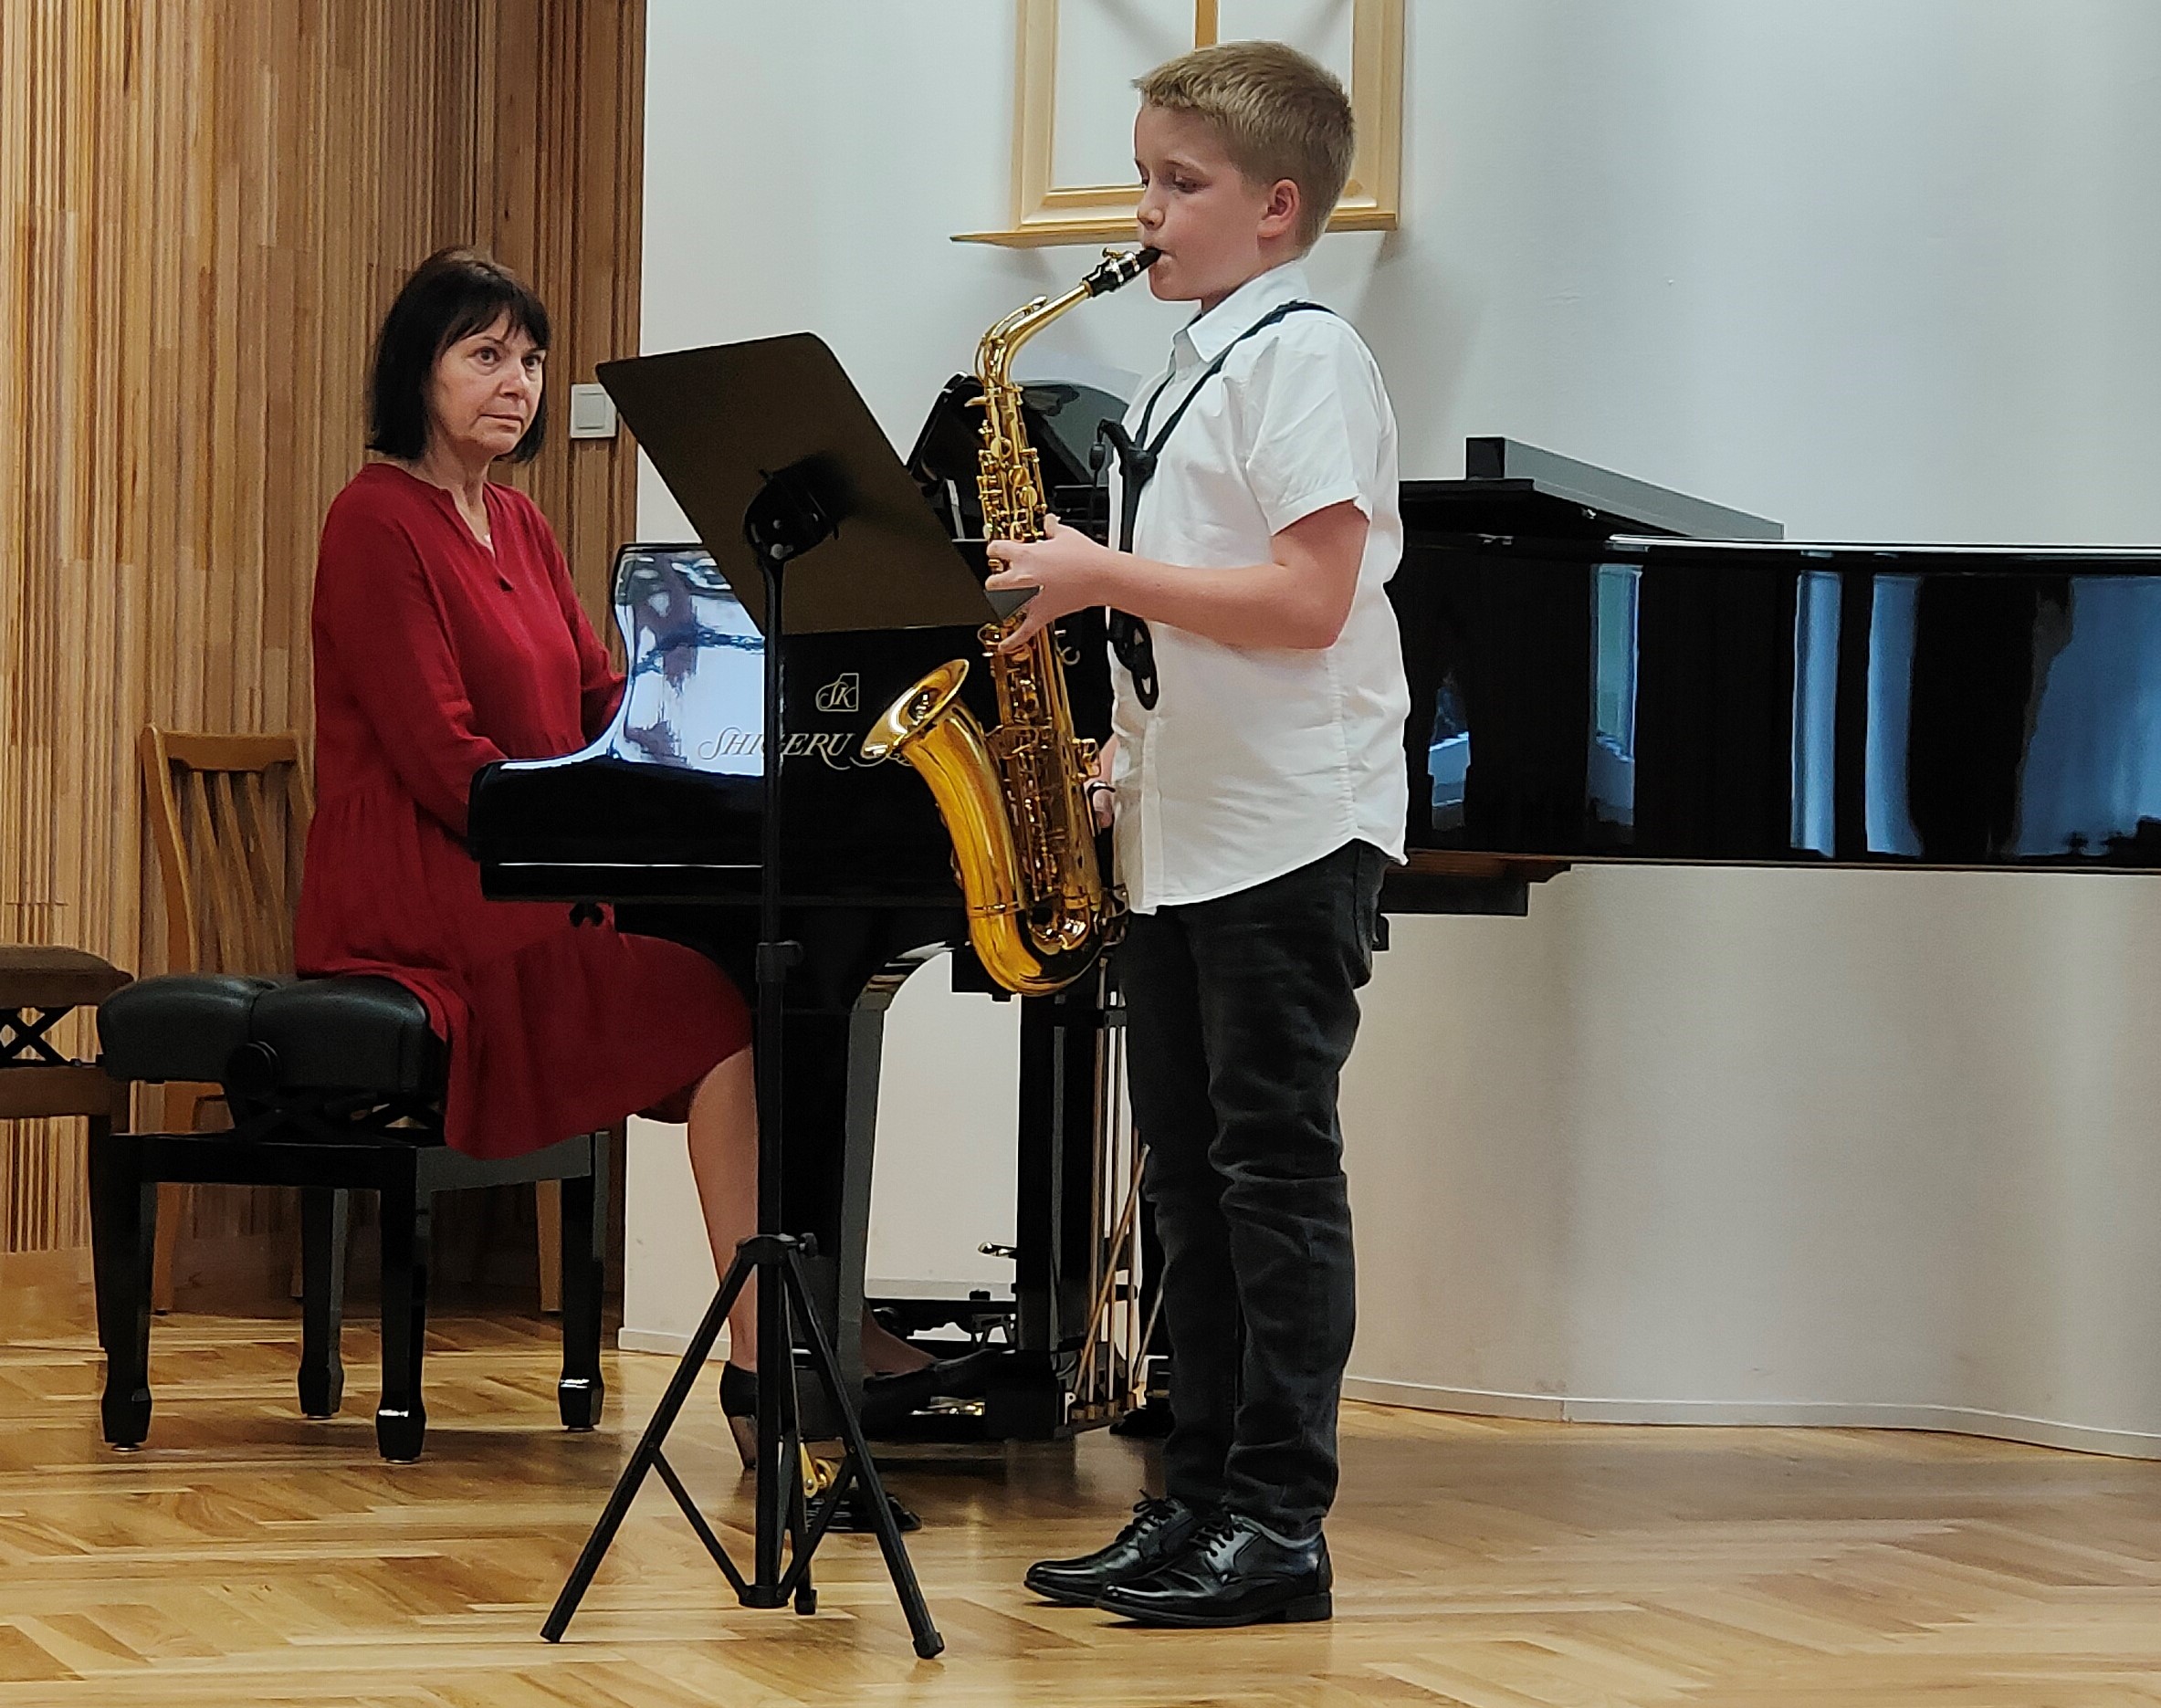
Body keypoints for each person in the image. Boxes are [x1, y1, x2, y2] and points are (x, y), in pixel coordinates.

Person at [296, 248, 947, 1468]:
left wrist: (727, 754)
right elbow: (443, 759)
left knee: (769, 981)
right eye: (485, 355)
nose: (518, 382)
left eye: (531, 359)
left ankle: (813, 1313)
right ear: (417, 370)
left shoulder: (522, 523)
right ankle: (767, 1372)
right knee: (719, 1017)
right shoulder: (373, 520)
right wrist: (593, 835)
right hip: (437, 887)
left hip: (529, 863)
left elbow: (609, 700)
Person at [985, 43, 1410, 1627]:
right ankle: (1196, 1499)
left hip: (1290, 828)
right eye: (1144, 177)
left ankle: (1279, 1523)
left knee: (1272, 1175)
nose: (1145, 212)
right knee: (1189, 1182)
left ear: (1278, 209)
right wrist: (1120, 747)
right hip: (1188, 826)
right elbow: (1208, 616)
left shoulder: (1308, 358)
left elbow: (1308, 602)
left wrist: (1095, 578)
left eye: (1182, 184)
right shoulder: (1193, 363)